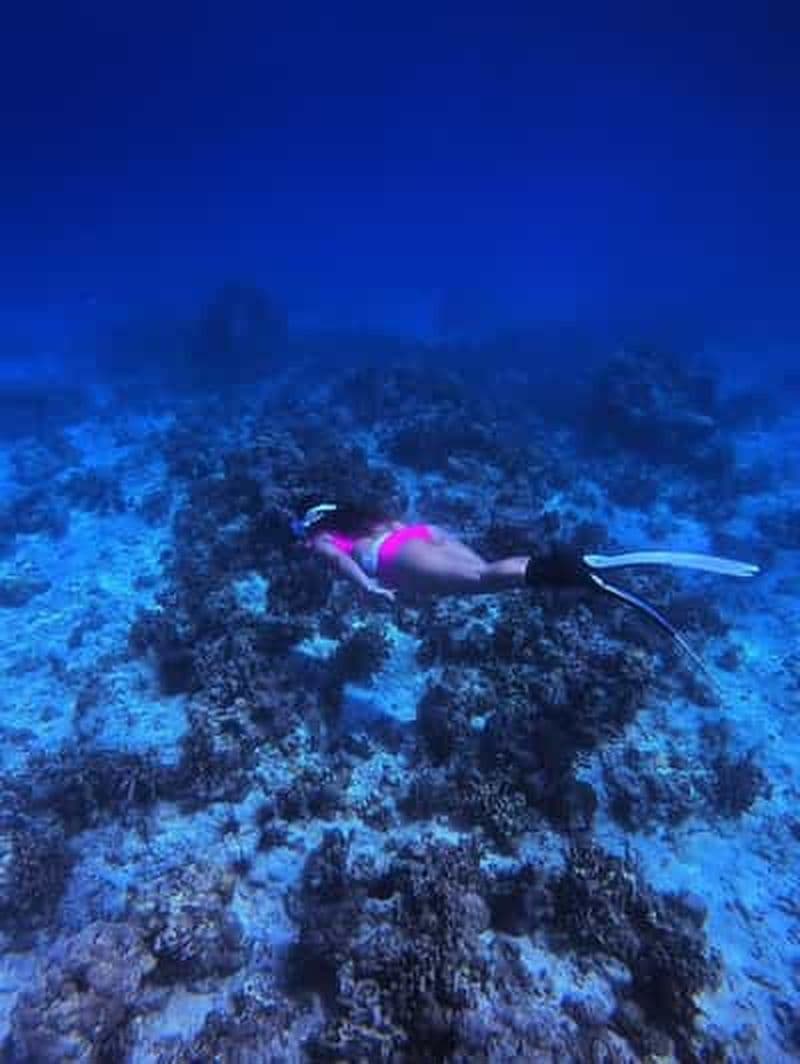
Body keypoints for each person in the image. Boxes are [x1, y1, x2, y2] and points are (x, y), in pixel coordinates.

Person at [292, 501, 760, 677]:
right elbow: (414, 529)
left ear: (309, 523)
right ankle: (567, 568)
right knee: (487, 574)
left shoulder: (320, 537)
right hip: (418, 535)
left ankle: (573, 569)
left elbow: (338, 560)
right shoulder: (360, 515)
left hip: (394, 559)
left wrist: (368, 587)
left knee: (484, 581)